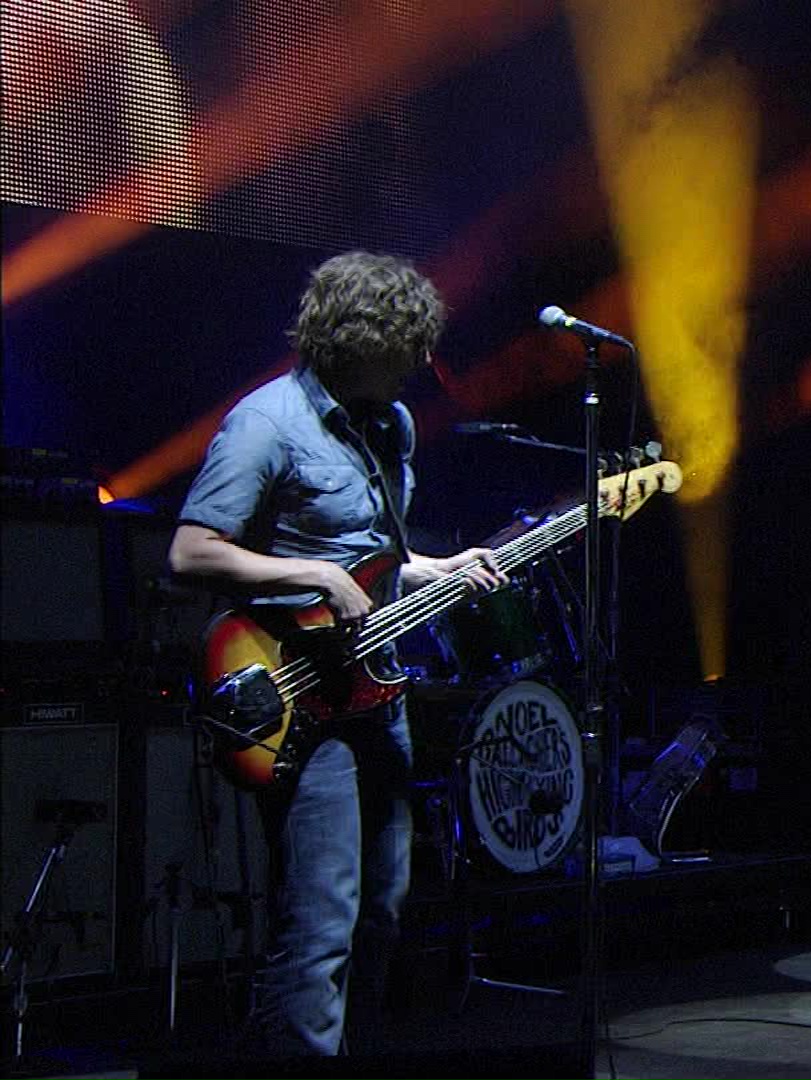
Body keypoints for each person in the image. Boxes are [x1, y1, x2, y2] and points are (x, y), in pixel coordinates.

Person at [168, 251, 505, 1057]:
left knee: (384, 905)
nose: (423, 362)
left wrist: (440, 568)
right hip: (293, 694)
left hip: (369, 694)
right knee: (322, 916)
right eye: (408, 346)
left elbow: (372, 561)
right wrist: (310, 571)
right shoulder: (266, 423)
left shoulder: (391, 424)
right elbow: (190, 553)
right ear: (359, 341)